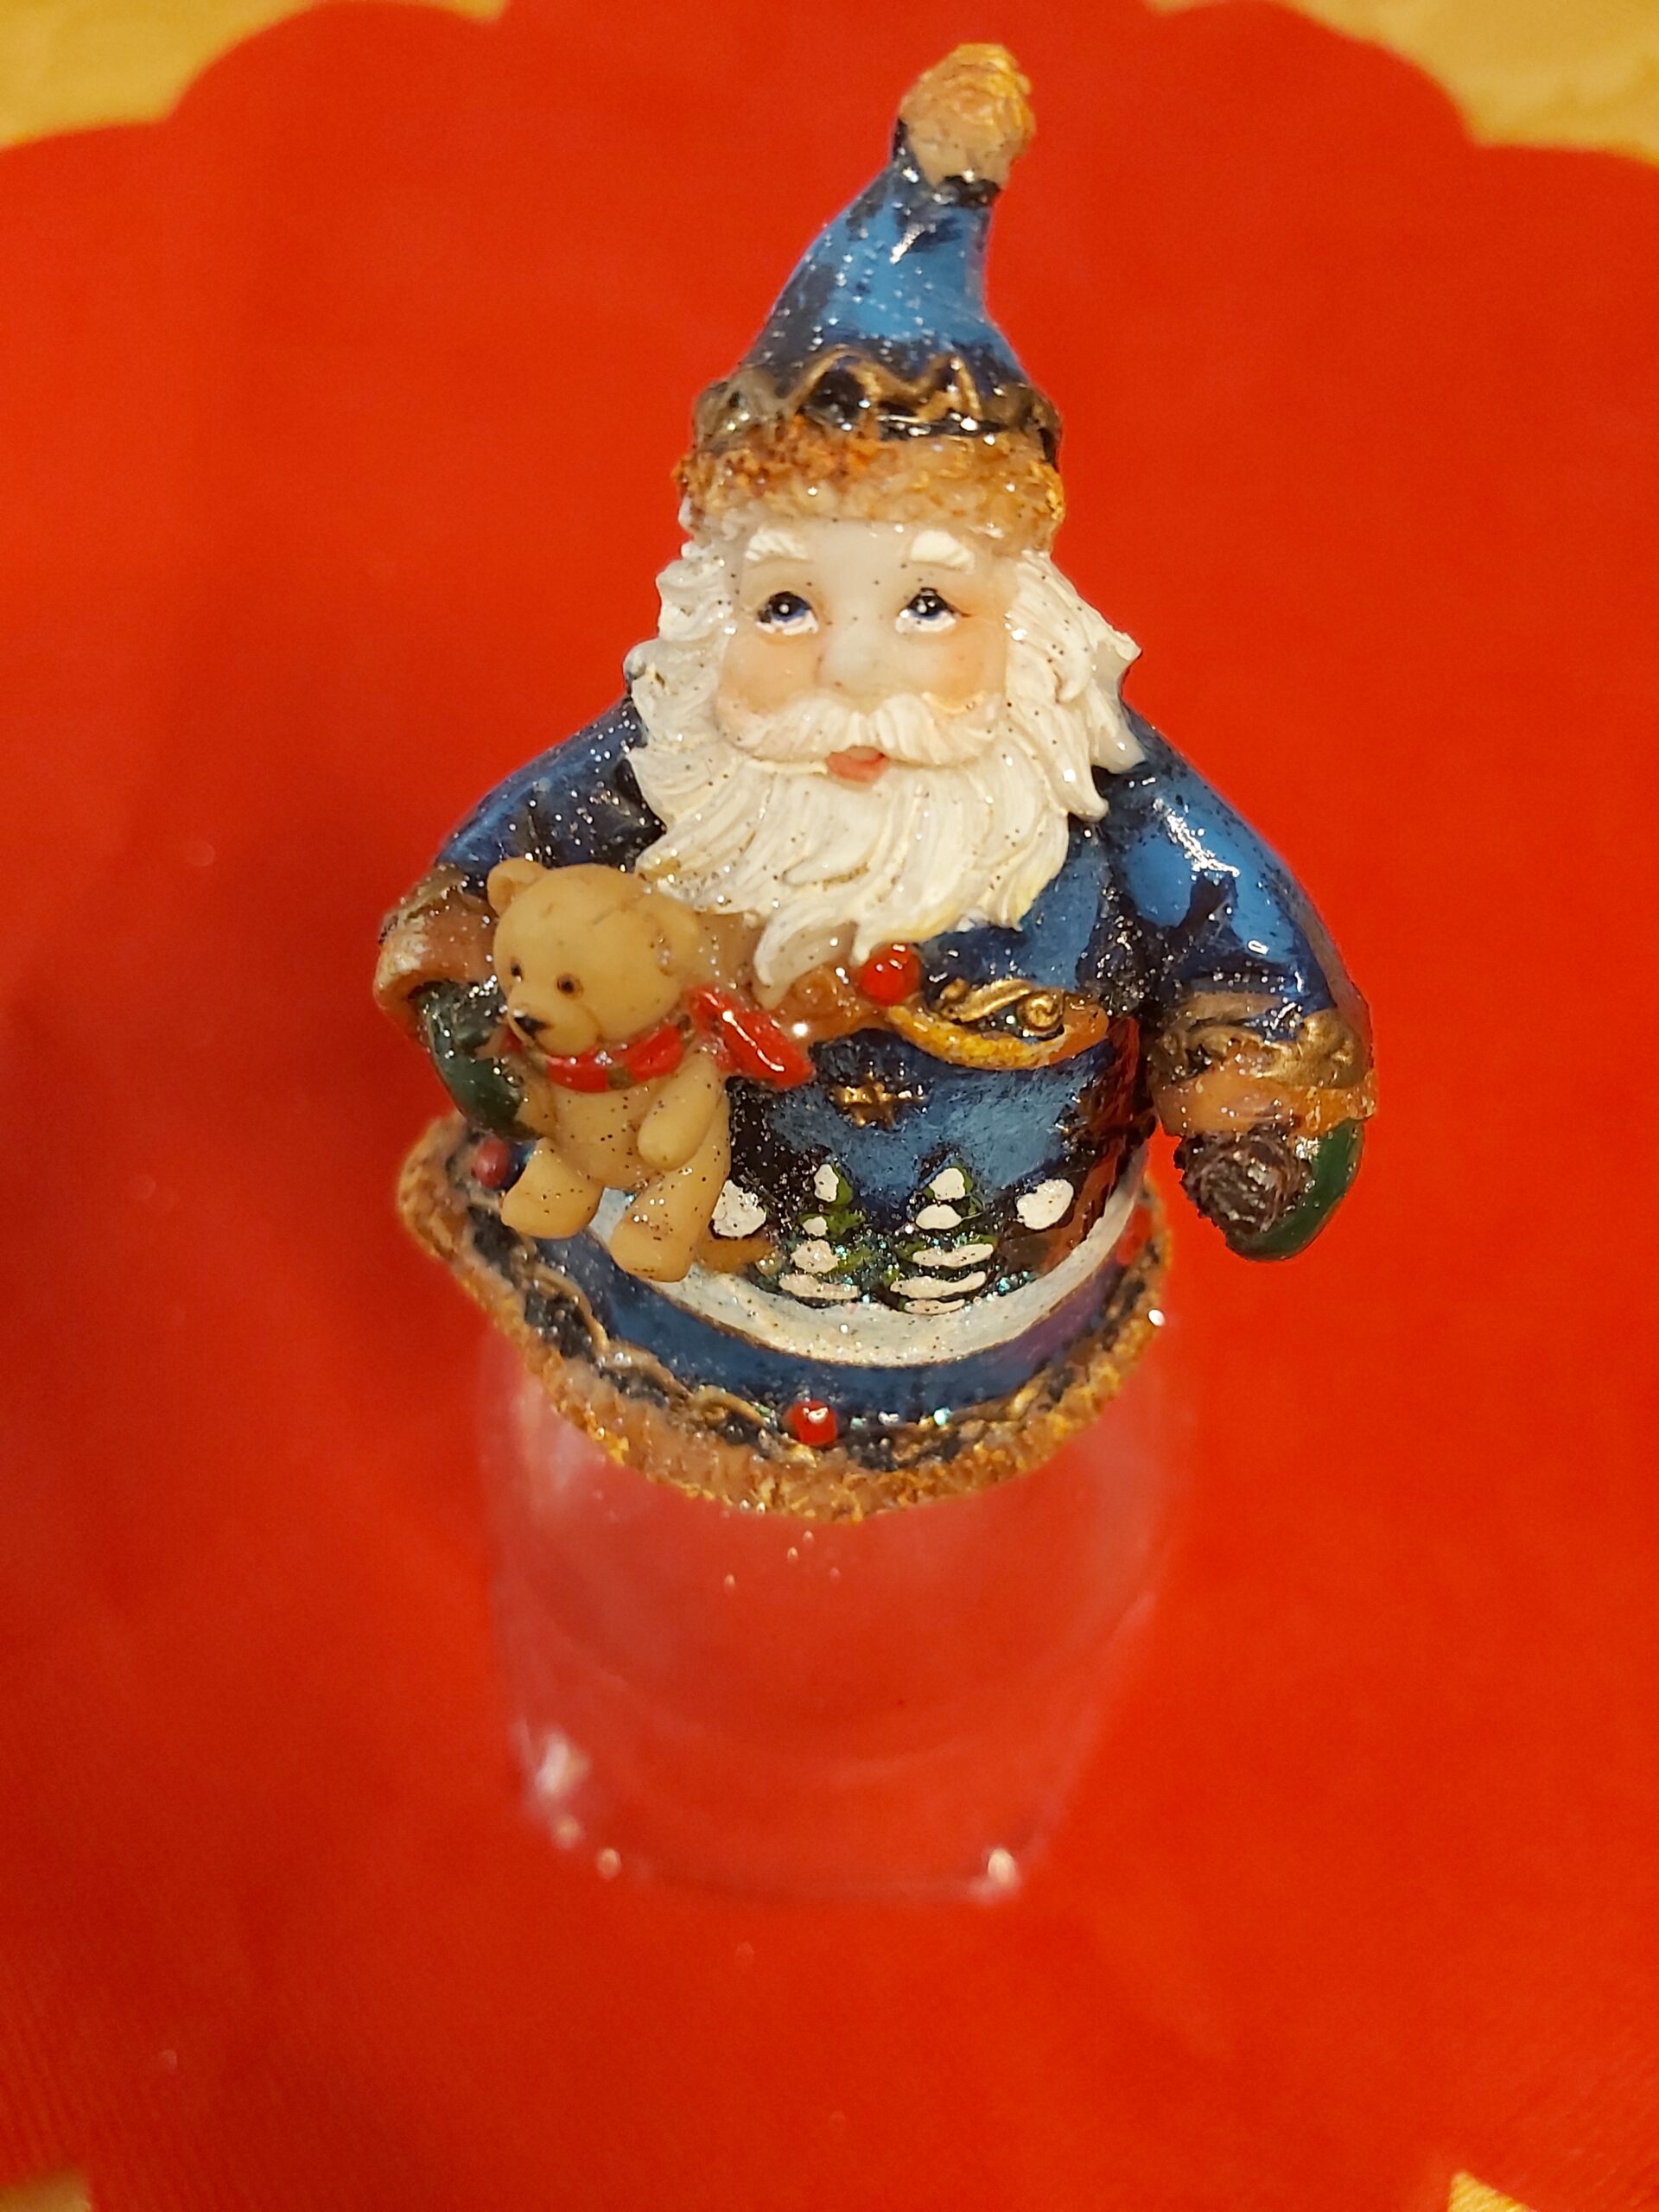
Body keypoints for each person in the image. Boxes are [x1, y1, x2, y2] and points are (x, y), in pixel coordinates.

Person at [376, 44, 1373, 1516]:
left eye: (925, 607)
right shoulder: (666, 776)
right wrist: (477, 1010)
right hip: (669, 1304)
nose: (854, 669)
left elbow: (1248, 955)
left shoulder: (1114, 815)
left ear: (1027, 627)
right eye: (789, 607)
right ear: (710, 621)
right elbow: (480, 890)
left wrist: (1269, 1122)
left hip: (1001, 1336)